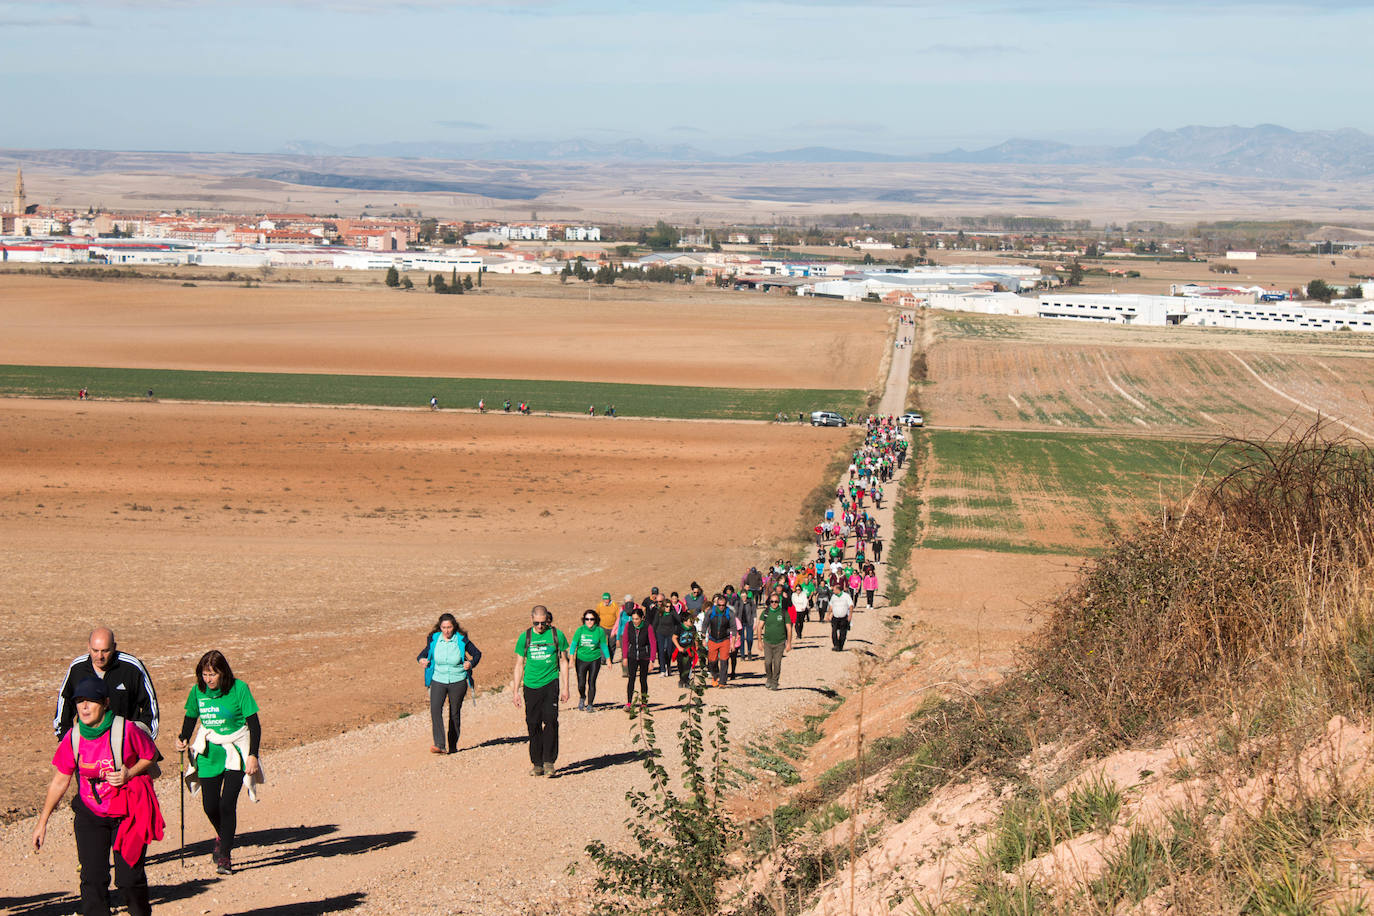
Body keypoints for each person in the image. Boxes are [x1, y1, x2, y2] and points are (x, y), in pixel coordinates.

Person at [34, 677, 163, 916]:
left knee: (128, 879)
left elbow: (150, 755)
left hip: (127, 812)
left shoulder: (127, 730)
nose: (84, 707)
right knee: (92, 879)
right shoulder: (72, 738)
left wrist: (129, 773)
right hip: (90, 813)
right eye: (79, 701)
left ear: (105, 703)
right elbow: (60, 780)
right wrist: (42, 823)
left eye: (90, 701)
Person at [175, 650, 261, 875]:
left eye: (213, 674)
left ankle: (224, 855)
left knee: (226, 805)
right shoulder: (198, 691)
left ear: (223, 673)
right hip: (209, 753)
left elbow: (254, 724)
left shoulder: (239, 689)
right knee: (210, 805)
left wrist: (253, 755)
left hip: (236, 750)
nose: (208, 679)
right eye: (205, 674)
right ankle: (223, 835)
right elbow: (191, 717)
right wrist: (183, 737)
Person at [55, 626, 160, 741]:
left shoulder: (131, 668)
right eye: (95, 651)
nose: (100, 656)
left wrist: (144, 740)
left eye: (105, 651)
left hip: (124, 742)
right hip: (89, 743)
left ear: (114, 647)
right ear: (88, 647)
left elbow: (149, 705)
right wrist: (65, 739)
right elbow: (65, 703)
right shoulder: (77, 668)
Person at [512, 606, 569, 777]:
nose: (539, 626)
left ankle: (549, 761)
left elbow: (564, 662)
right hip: (530, 685)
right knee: (532, 723)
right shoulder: (525, 637)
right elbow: (519, 664)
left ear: (547, 620)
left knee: (551, 721)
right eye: (536, 623)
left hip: (550, 682)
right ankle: (537, 763)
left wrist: (566, 687)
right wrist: (515, 691)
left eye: (543, 623)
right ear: (531, 620)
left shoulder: (556, 635)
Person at [417, 613, 481, 754]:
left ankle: (452, 745)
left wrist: (470, 663)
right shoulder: (433, 639)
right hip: (438, 679)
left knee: (454, 713)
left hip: (458, 681)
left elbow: (477, 654)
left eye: (449, 627)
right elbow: (421, 655)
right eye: (444, 627)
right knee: (435, 709)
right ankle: (440, 744)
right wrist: (422, 660)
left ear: (454, 627)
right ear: (440, 627)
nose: (446, 631)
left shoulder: (461, 640)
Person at [571, 609, 610, 711]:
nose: (589, 621)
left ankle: (590, 704)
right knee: (581, 683)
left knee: (591, 682)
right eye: (587, 619)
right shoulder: (580, 630)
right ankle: (582, 696)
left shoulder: (599, 631)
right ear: (584, 620)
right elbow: (573, 644)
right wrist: (571, 659)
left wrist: (608, 659)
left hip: (594, 659)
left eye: (591, 619)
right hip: (581, 659)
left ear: (595, 620)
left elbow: (604, 646)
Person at [619, 605, 657, 708]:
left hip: (644, 656)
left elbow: (653, 643)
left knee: (643, 680)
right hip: (632, 656)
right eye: (633, 619)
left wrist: (652, 661)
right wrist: (625, 657)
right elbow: (625, 641)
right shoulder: (628, 625)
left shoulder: (648, 627)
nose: (635, 621)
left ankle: (644, 703)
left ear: (642, 618)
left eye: (637, 619)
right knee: (631, 679)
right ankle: (629, 702)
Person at [756, 595, 792, 691]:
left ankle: (775, 682)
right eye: (772, 601)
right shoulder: (766, 612)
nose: (774, 603)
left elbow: (789, 628)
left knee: (777, 663)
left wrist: (789, 643)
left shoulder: (783, 612)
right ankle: (769, 678)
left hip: (780, 642)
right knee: (767, 662)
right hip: (767, 642)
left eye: (776, 601)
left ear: (779, 602)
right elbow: (759, 627)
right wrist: (759, 641)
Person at [702, 594, 735, 687]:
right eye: (719, 605)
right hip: (712, 639)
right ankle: (715, 676)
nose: (721, 607)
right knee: (712, 661)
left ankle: (722, 682)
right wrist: (703, 639)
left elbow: (734, 628)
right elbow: (704, 625)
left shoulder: (730, 613)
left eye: (723, 605)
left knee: (724, 660)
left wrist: (733, 643)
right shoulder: (710, 612)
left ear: (726, 605)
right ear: (716, 604)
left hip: (725, 639)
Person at [672, 611, 700, 688]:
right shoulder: (679, 628)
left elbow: (695, 638)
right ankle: (681, 679)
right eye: (690, 620)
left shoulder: (693, 628)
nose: (692, 622)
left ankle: (687, 681)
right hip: (680, 650)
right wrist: (679, 647)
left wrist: (696, 646)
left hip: (689, 649)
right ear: (684, 621)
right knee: (681, 666)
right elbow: (674, 638)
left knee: (688, 666)